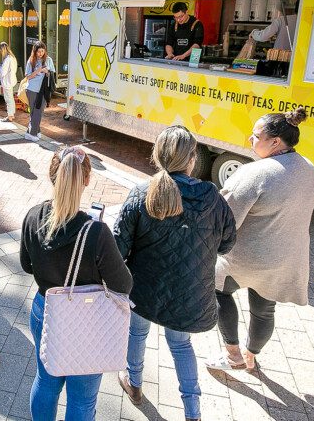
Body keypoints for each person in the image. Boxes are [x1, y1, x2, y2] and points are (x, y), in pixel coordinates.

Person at [114, 126, 236, 420]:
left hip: (143, 288)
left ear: (157, 155)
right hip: (190, 291)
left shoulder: (142, 192)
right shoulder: (212, 197)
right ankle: (192, 411)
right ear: (192, 158)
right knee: (181, 345)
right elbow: (227, 243)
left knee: (136, 333)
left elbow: (119, 246)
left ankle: (134, 383)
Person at [20, 146, 133, 421]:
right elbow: (123, 284)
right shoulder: (95, 232)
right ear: (86, 180)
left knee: (46, 382)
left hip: (45, 309)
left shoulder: (33, 216)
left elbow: (26, 265)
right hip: (87, 322)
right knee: (82, 400)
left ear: (52, 176)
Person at [207, 108, 314, 372]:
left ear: (275, 142)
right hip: (285, 259)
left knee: (217, 291)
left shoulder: (255, 173)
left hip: (245, 258)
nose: (250, 139)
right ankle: (250, 357)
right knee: (264, 311)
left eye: (256, 136)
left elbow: (225, 221)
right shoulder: (309, 169)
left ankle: (232, 353)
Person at [24, 41, 55, 142]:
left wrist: (47, 72)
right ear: (35, 52)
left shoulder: (49, 60)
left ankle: (32, 132)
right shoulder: (31, 61)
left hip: (44, 90)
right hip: (32, 89)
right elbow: (28, 76)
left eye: (42, 51)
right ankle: (34, 132)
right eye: (38, 51)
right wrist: (38, 70)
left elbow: (52, 75)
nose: (40, 53)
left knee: (38, 112)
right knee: (34, 112)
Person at [0, 42, 18, 122]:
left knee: (8, 99)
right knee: (11, 99)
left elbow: (2, 72)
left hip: (7, 82)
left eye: (0, 51)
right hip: (11, 81)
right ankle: (12, 114)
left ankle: (10, 116)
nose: (0, 53)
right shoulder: (12, 57)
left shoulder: (7, 59)